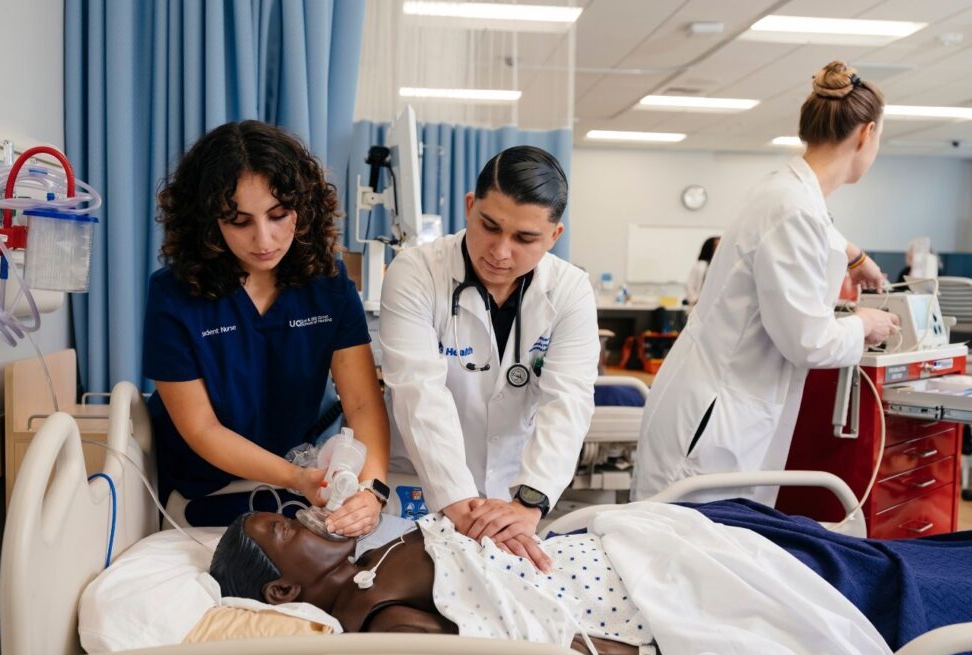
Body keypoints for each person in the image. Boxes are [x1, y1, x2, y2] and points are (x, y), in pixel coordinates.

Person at [209, 503, 972, 655]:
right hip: (669, 595)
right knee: (900, 582)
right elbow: (540, 647)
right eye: (281, 529)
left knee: (875, 553)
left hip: (663, 544)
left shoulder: (382, 555)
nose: (300, 516)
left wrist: (478, 516)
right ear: (281, 592)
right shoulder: (381, 622)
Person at [631, 61, 901, 505]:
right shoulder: (793, 208)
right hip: (713, 419)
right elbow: (806, 342)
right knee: (684, 554)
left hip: (716, 402)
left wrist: (857, 258)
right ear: (866, 134)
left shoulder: (786, 191)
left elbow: (814, 232)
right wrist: (864, 324)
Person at [143, 120, 390, 532]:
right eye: (239, 221)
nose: (265, 239)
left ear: (304, 208)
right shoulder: (174, 296)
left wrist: (372, 490)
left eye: (279, 215)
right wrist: (295, 477)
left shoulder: (327, 285)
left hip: (299, 492)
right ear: (208, 221)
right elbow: (202, 429)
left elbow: (362, 403)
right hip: (202, 495)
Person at [378, 146, 599, 570]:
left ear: (554, 236)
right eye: (489, 226)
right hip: (425, 486)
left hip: (514, 500)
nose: (500, 251)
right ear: (469, 206)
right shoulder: (417, 272)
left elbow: (566, 403)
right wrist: (461, 505)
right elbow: (419, 393)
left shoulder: (570, 291)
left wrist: (528, 504)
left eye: (524, 238)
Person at [684, 235, 720, 306]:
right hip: (699, 305)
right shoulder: (700, 266)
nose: (719, 249)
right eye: (716, 246)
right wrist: (695, 300)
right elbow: (689, 285)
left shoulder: (722, 265)